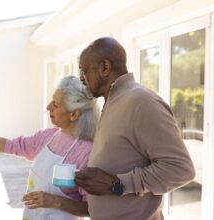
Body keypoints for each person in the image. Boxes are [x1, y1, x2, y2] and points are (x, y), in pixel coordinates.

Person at [75, 37, 195, 219]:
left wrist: (115, 184)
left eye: (84, 71)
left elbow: (180, 169)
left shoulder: (141, 102)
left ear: (105, 68)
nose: (81, 79)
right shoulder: (112, 102)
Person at [0, 75, 99, 219]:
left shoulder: (87, 153)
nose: (48, 107)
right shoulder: (48, 136)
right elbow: (10, 145)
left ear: (74, 114)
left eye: (55, 104)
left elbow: (92, 208)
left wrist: (54, 201)